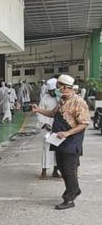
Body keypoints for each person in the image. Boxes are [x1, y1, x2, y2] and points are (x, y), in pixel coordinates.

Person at [32, 74, 90, 210]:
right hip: (59, 140)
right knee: (62, 168)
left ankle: (69, 199)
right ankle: (75, 189)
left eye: (59, 87)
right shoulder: (62, 100)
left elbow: (84, 123)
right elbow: (53, 113)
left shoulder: (78, 102)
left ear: (65, 87)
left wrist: (68, 133)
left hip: (71, 141)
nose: (57, 89)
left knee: (69, 169)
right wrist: (38, 110)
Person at [36, 77, 60, 180]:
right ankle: (44, 171)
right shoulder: (44, 99)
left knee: (58, 150)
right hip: (48, 127)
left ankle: (55, 171)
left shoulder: (60, 99)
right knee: (47, 149)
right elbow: (39, 112)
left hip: (59, 127)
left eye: (53, 91)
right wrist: (45, 124)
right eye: (50, 91)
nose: (51, 93)